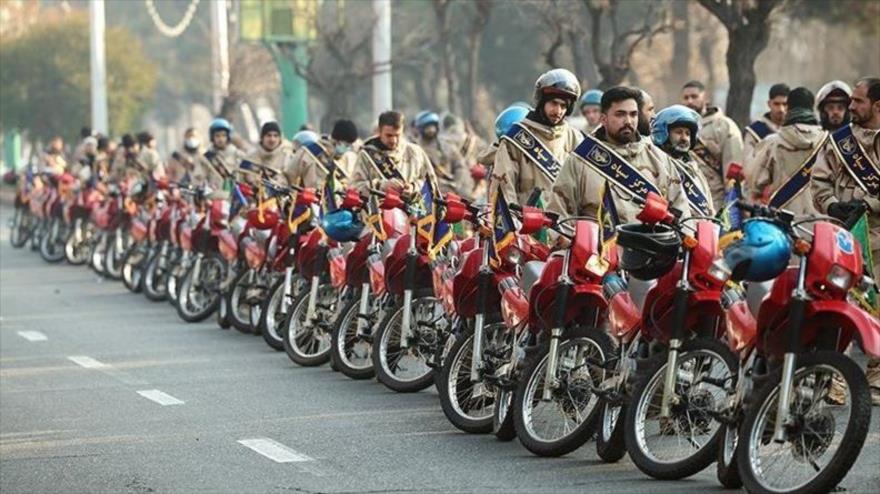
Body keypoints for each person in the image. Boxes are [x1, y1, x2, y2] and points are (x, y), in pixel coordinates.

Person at [811, 77, 880, 405]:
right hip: (843, 238)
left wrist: (869, 204)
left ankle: (877, 379)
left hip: (879, 239)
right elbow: (818, 181)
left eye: (858, 101)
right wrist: (832, 205)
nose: (850, 106)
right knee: (839, 310)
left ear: (877, 106)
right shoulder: (839, 141)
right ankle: (834, 380)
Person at [549, 86, 689, 224]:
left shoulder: (659, 159)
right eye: (620, 114)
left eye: (633, 114)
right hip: (599, 245)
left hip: (652, 243)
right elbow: (560, 213)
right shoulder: (580, 160)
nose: (628, 121)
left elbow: (680, 211)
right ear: (603, 119)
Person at [492, 68, 583, 206]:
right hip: (527, 223)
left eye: (563, 106)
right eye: (553, 103)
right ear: (542, 102)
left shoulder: (575, 138)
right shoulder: (516, 137)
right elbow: (504, 187)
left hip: (567, 224)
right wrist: (513, 222)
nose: (558, 111)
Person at [747, 87, 824, 217]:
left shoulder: (772, 142)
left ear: (788, 108)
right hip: (822, 225)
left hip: (782, 223)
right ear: (812, 108)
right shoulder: (827, 142)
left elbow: (754, 182)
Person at [681, 80, 744, 208]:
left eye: (694, 96)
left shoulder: (724, 126)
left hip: (716, 201)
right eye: (686, 98)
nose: (690, 101)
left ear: (705, 97)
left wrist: (730, 203)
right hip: (685, 200)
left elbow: (733, 167)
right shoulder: (676, 128)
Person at [351, 110, 436, 196]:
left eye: (397, 135)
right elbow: (354, 188)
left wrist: (413, 187)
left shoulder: (415, 152)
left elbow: (431, 184)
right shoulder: (367, 155)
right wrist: (380, 186)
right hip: (378, 208)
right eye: (389, 135)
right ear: (379, 132)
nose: (393, 140)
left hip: (413, 207)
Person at [650, 105, 715, 216]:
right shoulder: (655, 164)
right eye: (679, 132)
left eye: (688, 134)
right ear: (662, 133)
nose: (684, 138)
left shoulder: (694, 168)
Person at [286, 119, 360, 189]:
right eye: (347, 145)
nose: (348, 149)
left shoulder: (338, 161)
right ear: (338, 141)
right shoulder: (310, 152)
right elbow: (288, 176)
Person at [744, 83, 790, 164]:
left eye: (784, 104)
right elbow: (748, 164)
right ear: (769, 104)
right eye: (777, 104)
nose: (781, 109)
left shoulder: (795, 130)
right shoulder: (754, 132)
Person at [197, 118, 245, 190]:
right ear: (212, 137)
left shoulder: (239, 155)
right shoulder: (206, 158)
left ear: (228, 137)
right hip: (216, 196)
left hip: (238, 196)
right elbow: (199, 179)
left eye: (223, 135)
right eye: (217, 136)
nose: (221, 139)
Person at [242, 121, 291, 186]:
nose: (272, 139)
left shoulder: (287, 158)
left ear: (280, 139)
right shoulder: (250, 157)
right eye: (269, 135)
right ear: (262, 138)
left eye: (275, 136)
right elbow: (240, 180)